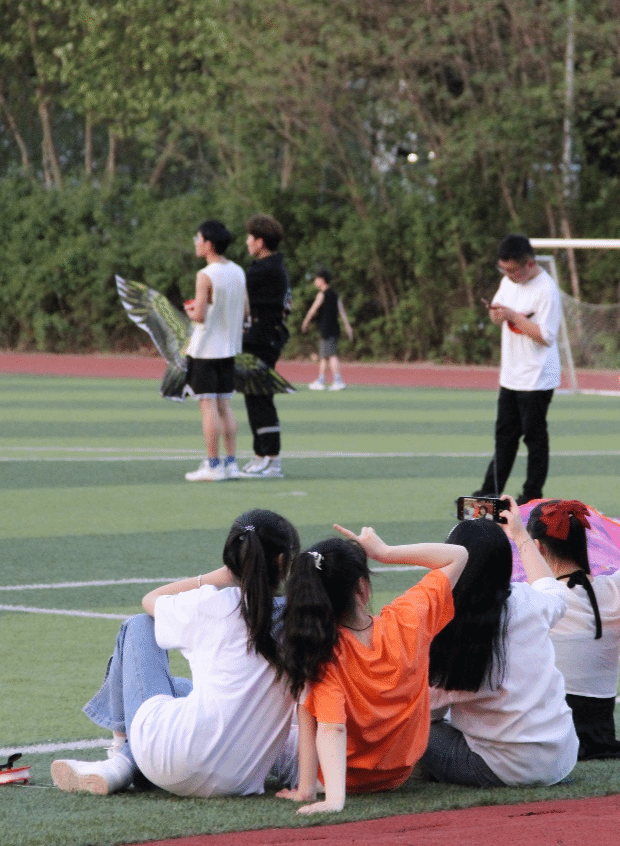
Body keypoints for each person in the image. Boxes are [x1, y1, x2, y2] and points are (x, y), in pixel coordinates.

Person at [51, 509, 301, 796]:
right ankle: (124, 763)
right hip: (238, 781)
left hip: (167, 761)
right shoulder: (301, 620)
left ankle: (120, 757)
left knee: (139, 625)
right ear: (281, 561)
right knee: (180, 688)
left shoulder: (211, 604)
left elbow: (151, 600)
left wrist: (215, 577)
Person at [276, 525, 467, 814]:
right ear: (363, 588)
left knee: (297, 708)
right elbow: (458, 555)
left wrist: (334, 800)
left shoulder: (324, 654)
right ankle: (308, 787)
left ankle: (305, 788)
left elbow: (332, 727)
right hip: (398, 773)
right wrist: (385, 553)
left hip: (343, 779)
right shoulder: (407, 620)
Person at [422, 497, 579, 787]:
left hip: (498, 768)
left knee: (407, 727)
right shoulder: (529, 600)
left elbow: (424, 712)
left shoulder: (448, 624)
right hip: (560, 759)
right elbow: (554, 591)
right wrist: (519, 534)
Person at [527, 498, 620, 760]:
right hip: (600, 734)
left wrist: (514, 534)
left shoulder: (535, 600)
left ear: (538, 547)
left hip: (550, 733)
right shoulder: (618, 589)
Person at [473, 234, 562, 504]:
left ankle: (532, 495)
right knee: (504, 437)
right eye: (503, 269)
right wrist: (496, 313)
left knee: (534, 439)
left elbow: (545, 336)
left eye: (512, 270)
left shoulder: (546, 290)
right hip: (511, 375)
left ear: (530, 264)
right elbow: (497, 315)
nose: (507, 275)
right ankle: (489, 492)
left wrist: (513, 316)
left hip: (537, 377)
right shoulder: (507, 282)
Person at [182, 220, 249, 482]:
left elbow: (199, 315)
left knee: (207, 405)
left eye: (198, 239)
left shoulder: (205, 274)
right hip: (228, 349)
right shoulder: (238, 271)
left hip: (206, 349)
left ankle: (212, 465)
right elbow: (245, 311)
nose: (196, 243)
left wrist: (190, 310)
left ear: (209, 244)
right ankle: (231, 464)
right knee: (225, 405)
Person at [239, 214, 292, 478]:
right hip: (261, 338)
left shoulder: (265, 270)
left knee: (260, 396)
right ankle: (261, 455)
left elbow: (238, 297)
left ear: (260, 242)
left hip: (263, 339)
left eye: (250, 237)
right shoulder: (273, 267)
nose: (247, 242)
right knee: (254, 395)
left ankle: (271, 458)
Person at [299, 270, 353, 391]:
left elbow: (313, 309)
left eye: (316, 279)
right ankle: (321, 380)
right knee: (324, 356)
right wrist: (347, 326)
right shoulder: (335, 295)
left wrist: (305, 321)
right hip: (333, 328)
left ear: (322, 280)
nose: (315, 281)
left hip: (327, 329)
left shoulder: (322, 295)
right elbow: (342, 312)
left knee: (332, 355)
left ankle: (338, 381)